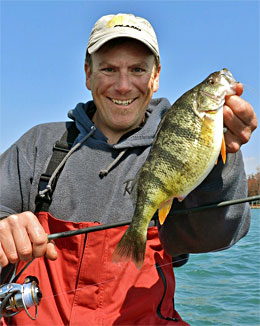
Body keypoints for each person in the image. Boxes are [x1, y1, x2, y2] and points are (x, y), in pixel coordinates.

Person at [0, 13, 257, 325]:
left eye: (137, 69)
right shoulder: (39, 145)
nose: (123, 86)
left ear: (156, 76)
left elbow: (216, 236)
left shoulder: (179, 141)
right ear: (87, 74)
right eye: (109, 69)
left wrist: (225, 156)